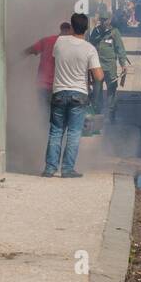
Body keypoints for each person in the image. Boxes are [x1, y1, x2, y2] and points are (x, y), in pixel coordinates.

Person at [42, 12, 103, 178]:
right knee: (74, 133)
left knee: (56, 131)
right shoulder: (89, 49)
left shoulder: (59, 42)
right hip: (79, 94)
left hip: (59, 92)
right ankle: (67, 169)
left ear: (71, 26)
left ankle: (50, 168)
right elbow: (98, 76)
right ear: (86, 28)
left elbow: (55, 61)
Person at [89, 7, 130, 123]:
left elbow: (120, 49)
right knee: (97, 91)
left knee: (112, 90)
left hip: (110, 67)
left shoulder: (114, 33)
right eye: (101, 19)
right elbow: (90, 47)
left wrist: (123, 64)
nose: (103, 22)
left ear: (109, 20)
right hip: (97, 67)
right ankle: (98, 115)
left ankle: (111, 114)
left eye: (105, 20)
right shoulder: (95, 32)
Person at [24, 22, 71, 115]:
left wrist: (13, 59)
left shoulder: (47, 41)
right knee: (58, 116)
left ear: (61, 29)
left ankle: (42, 129)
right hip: (60, 87)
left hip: (43, 85)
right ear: (70, 31)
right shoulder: (70, 45)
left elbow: (30, 50)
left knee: (44, 114)